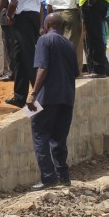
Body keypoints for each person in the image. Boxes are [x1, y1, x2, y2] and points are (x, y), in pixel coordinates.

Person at [26, 13, 79, 189]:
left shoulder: (44, 40)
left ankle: (48, 177)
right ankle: (64, 176)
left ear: (47, 24)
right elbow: (75, 73)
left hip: (45, 97)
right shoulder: (70, 45)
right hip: (67, 98)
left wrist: (33, 93)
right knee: (59, 138)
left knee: (39, 133)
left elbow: (43, 68)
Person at [5, 0, 43, 107]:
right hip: (33, 17)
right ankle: (19, 97)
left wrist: (9, 16)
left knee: (27, 56)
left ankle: (38, 96)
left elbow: (13, 1)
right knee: (19, 56)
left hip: (23, 18)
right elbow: (40, 4)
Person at [46, 0, 83, 71]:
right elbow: (79, 4)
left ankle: (56, 69)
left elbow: (49, 4)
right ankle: (69, 70)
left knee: (56, 43)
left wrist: (48, 19)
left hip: (55, 15)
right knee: (69, 44)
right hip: (70, 14)